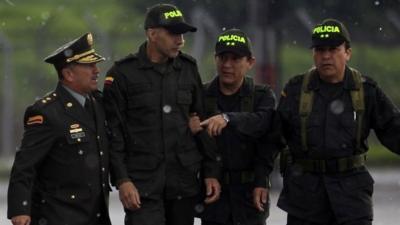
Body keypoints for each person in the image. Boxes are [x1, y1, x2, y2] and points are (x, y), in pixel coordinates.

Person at [102, 3, 221, 225]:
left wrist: (211, 171)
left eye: (182, 34)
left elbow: (201, 120)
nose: (181, 40)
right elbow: (113, 133)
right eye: (173, 33)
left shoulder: (187, 68)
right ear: (152, 34)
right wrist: (122, 179)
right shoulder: (122, 74)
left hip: (182, 183)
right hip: (143, 185)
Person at [277, 18, 400, 225]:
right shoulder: (296, 90)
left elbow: (394, 129)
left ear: (348, 53)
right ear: (313, 54)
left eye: (333, 49)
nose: (326, 56)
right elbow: (272, 135)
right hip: (306, 200)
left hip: (351, 201)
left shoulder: (365, 90)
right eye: (320, 49)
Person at [7, 33, 112, 225]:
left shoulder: (98, 103)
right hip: (59, 215)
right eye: (89, 66)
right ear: (68, 74)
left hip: (95, 214)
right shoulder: (46, 113)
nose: (97, 70)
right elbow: (25, 166)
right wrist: (20, 210)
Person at [189, 29, 277, 225]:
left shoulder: (261, 96)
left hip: (250, 194)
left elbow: (265, 129)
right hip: (213, 194)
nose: (227, 65)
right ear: (215, 59)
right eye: (222, 58)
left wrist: (228, 118)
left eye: (235, 59)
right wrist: (191, 129)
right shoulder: (201, 96)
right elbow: (191, 146)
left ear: (250, 62)